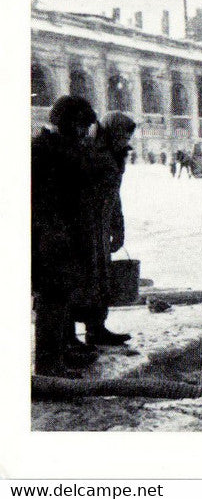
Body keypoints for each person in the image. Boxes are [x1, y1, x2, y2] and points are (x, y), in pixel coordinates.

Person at [32, 96, 101, 376]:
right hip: (49, 237)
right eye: (83, 126)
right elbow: (40, 199)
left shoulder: (62, 148)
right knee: (53, 298)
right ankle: (49, 363)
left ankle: (61, 352)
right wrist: (51, 232)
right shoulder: (45, 151)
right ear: (70, 123)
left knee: (62, 295)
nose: (86, 132)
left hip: (64, 234)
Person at [72, 112, 139, 347]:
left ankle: (96, 328)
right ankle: (69, 335)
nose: (127, 140)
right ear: (112, 132)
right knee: (81, 279)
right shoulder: (90, 152)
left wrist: (118, 226)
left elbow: (114, 195)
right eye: (124, 135)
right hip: (83, 227)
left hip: (101, 225)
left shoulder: (114, 154)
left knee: (101, 277)